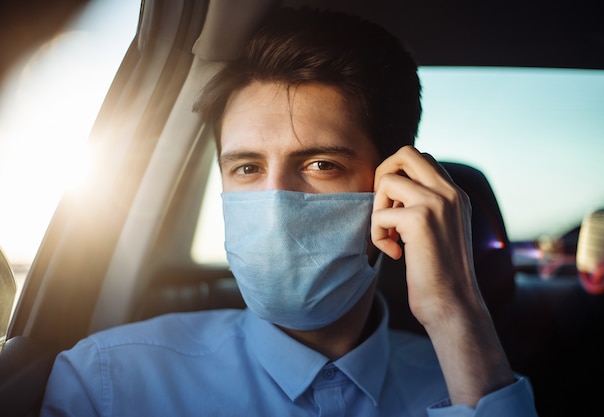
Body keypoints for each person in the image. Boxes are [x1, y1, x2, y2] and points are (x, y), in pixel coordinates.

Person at [40, 7, 538, 416]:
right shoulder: (107, 383)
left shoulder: (472, 384)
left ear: (395, 189)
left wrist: (455, 311)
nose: (275, 203)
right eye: (248, 168)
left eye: (320, 164)